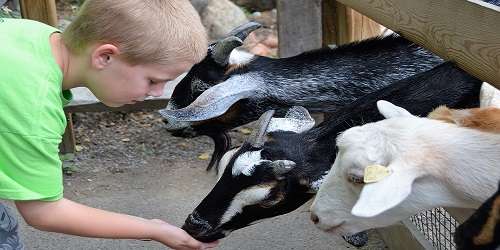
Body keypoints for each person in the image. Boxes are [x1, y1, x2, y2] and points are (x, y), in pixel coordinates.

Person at [0, 0, 216, 249]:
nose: (157, 93)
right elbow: (44, 212)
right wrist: (154, 230)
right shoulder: (32, 106)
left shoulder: (31, 33)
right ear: (104, 56)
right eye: (153, 80)